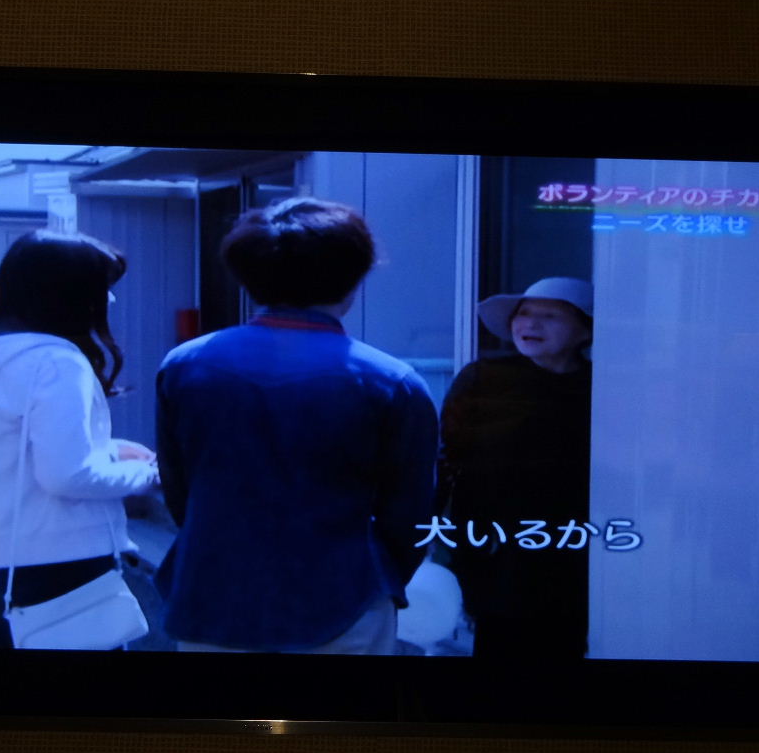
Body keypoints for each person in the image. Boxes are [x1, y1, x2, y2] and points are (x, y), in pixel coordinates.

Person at [153, 197, 439, 654]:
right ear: (354, 277)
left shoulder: (186, 365)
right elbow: (408, 516)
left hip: (212, 595)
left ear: (248, 275)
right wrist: (379, 580)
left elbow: (180, 491)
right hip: (344, 601)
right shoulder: (391, 381)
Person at [0, 230, 158, 648]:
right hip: (61, 558)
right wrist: (148, 475)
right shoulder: (56, 362)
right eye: (101, 289)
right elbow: (68, 476)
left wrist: (110, 451)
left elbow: (4, 449)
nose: (109, 301)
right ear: (69, 295)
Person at [439, 276, 593, 661]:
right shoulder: (483, 378)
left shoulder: (601, 385)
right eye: (523, 313)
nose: (531, 324)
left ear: (585, 330)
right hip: (497, 549)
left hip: (577, 548)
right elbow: (447, 459)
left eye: (550, 316)